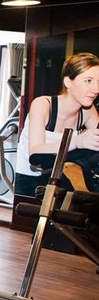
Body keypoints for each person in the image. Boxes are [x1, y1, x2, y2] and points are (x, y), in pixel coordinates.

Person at [14, 52, 99, 196]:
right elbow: (35, 150)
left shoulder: (88, 110)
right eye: (88, 81)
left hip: (59, 175)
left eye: (98, 82)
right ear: (68, 82)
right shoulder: (43, 105)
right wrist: (77, 141)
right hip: (28, 178)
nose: (96, 89)